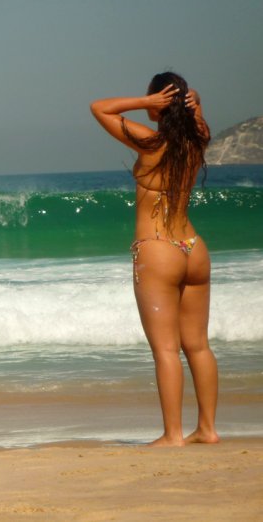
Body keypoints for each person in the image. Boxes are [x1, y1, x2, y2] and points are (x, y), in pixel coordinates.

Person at [90, 72, 219, 446]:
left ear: (161, 102)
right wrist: (196, 102)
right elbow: (199, 120)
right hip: (194, 248)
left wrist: (146, 104)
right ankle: (208, 429)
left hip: (158, 248)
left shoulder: (151, 141)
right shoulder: (198, 140)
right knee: (198, 345)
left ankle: (173, 434)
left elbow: (99, 108)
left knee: (166, 349)